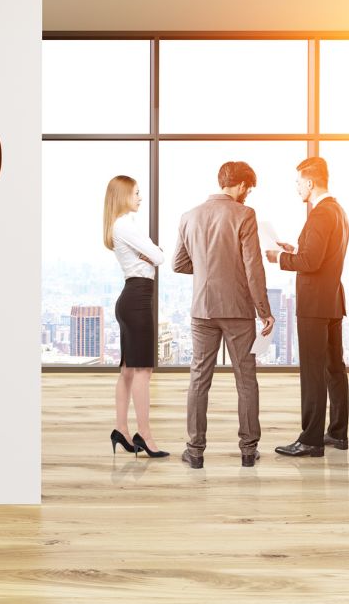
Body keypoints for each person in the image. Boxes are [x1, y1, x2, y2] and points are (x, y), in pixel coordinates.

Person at [173, 161, 274, 468]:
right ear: (241, 184)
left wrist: (207, 269)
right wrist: (264, 311)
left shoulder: (188, 216)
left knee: (199, 378)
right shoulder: (244, 215)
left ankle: (195, 451)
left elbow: (179, 264)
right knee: (245, 379)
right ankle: (247, 450)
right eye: (249, 188)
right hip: (237, 310)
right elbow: (253, 268)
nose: (249, 194)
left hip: (202, 309)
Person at [265, 156, 349, 457]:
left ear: (311, 182)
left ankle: (311, 440)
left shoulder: (319, 214)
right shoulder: (338, 211)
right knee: (334, 368)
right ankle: (337, 434)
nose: (297, 187)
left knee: (313, 372)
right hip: (332, 300)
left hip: (314, 304)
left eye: (299, 182)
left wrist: (280, 258)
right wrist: (295, 249)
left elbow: (311, 262)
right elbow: (321, 256)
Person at [103, 175, 169, 458]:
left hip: (132, 298)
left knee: (129, 370)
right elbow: (159, 256)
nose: (141, 197)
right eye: (136, 193)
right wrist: (152, 254)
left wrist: (152, 255)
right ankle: (145, 435)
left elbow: (154, 256)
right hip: (137, 300)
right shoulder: (125, 225)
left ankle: (122, 430)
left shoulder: (120, 226)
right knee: (143, 371)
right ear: (123, 196)